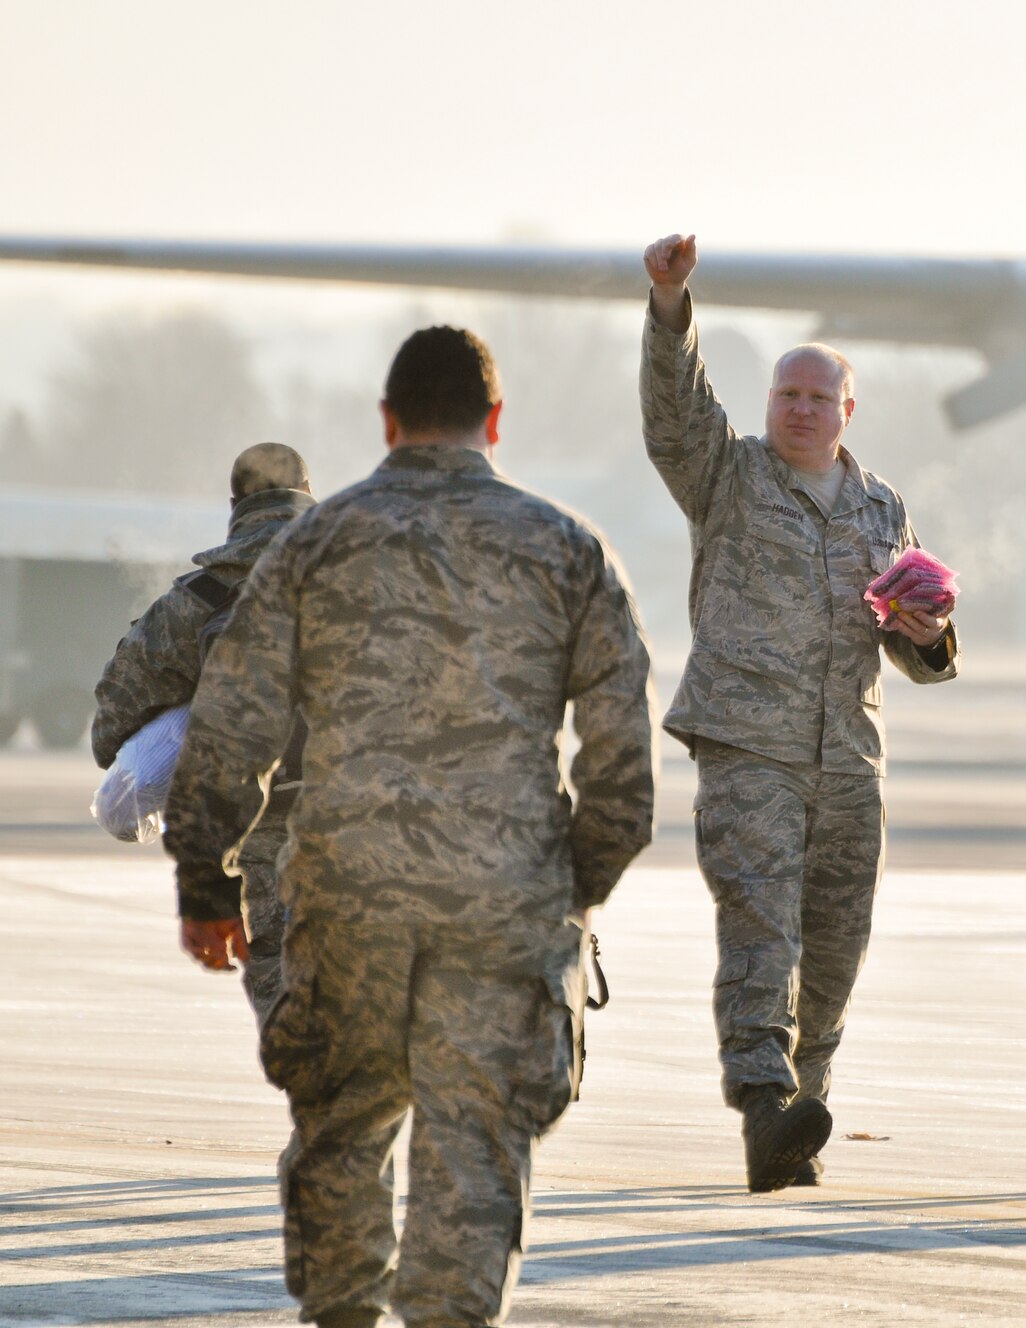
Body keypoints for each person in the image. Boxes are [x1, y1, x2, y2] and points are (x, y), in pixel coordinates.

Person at [166, 326, 656, 1328]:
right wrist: (566, 887)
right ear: (496, 419)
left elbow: (230, 724)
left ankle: (342, 1310)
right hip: (502, 906)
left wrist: (208, 887)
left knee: (343, 1127)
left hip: (347, 896)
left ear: (387, 421)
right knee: (474, 1142)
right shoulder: (569, 549)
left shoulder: (313, 541)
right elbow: (622, 771)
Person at [640, 233, 960, 1192]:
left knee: (834, 944)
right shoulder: (729, 477)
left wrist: (928, 629)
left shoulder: (880, 506)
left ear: (847, 410)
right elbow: (674, 417)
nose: (801, 407)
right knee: (759, 930)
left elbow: (921, 647)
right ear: (770, 403)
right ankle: (764, 1105)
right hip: (750, 747)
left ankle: (802, 1107)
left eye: (820, 395)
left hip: (849, 758)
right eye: (787, 393)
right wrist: (670, 307)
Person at [92, 442, 315, 1019]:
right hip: (387, 842)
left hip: (268, 856)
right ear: (311, 500)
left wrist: (189, 713)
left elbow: (109, 730)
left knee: (309, 1052)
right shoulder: (379, 583)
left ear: (236, 505)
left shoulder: (197, 600)